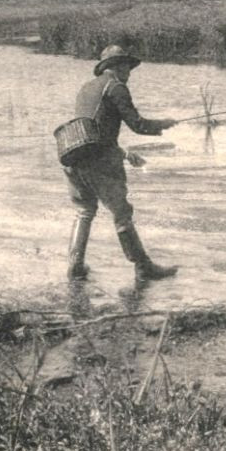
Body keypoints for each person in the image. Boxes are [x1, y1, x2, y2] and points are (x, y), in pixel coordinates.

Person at [63, 45, 180, 284]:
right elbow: (137, 124)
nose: (130, 71)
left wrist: (124, 153)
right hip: (101, 162)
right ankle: (143, 267)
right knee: (122, 214)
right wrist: (164, 124)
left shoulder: (86, 88)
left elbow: (93, 132)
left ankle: (75, 267)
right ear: (116, 67)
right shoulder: (116, 88)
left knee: (84, 211)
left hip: (74, 156)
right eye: (127, 65)